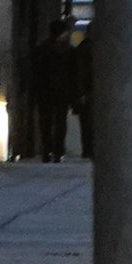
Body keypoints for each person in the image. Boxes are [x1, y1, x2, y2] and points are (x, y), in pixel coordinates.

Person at [30, 20, 73, 163]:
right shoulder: (68, 51)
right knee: (59, 122)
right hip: (61, 91)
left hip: (45, 91)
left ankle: (47, 150)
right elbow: (73, 73)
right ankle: (57, 151)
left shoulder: (41, 50)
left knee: (46, 122)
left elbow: (35, 71)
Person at [69, 24, 94, 160]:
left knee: (86, 123)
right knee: (91, 122)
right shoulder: (90, 50)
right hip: (89, 91)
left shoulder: (80, 49)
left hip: (85, 92)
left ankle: (88, 149)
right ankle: (90, 149)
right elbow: (81, 72)